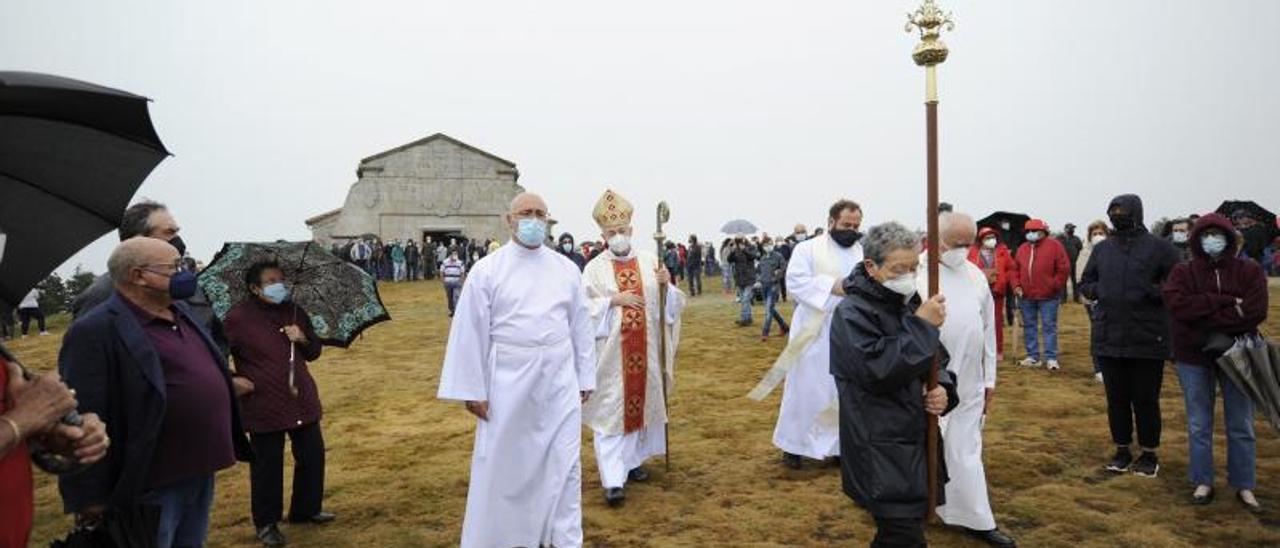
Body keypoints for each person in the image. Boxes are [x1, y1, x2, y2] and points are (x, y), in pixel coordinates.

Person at [59, 237, 253, 547]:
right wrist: (88, 496)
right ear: (138, 275)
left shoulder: (181, 312)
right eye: (174, 267)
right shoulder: (95, 330)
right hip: (150, 479)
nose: (184, 273)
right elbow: (83, 414)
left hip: (200, 467)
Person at [437, 193, 596, 548]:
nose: (533, 220)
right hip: (508, 379)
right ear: (509, 220)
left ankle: (563, 537)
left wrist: (585, 377)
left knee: (565, 465)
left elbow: (580, 326)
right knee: (505, 466)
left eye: (540, 214)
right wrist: (471, 389)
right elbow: (470, 330)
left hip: (558, 379)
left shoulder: (566, 269)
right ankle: (505, 538)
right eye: (526, 213)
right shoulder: (487, 270)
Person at [829, 221, 958, 548]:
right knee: (902, 536)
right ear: (871, 266)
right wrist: (921, 327)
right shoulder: (851, 314)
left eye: (914, 267)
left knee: (900, 534)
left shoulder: (909, 301)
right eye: (900, 268)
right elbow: (876, 371)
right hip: (879, 444)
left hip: (915, 436)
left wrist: (943, 388)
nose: (909, 276)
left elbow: (936, 361)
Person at [580, 190, 686, 507]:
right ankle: (613, 480)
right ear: (602, 235)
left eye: (622, 231)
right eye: (611, 233)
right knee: (612, 414)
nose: (617, 236)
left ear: (631, 230)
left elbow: (670, 307)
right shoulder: (594, 269)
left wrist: (667, 283)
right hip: (612, 359)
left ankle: (633, 462)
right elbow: (581, 310)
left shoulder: (650, 261)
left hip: (647, 353)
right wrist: (613, 300)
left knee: (642, 409)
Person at [919, 214, 1017, 547]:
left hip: (970, 382)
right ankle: (920, 505)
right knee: (923, 448)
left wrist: (990, 379)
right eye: (955, 243)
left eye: (968, 243)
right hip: (926, 382)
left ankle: (976, 517)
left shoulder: (975, 276)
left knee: (965, 449)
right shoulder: (917, 274)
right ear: (936, 239)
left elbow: (989, 330)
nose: (962, 250)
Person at [223, 260, 334, 546]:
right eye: (271, 281)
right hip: (263, 402)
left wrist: (303, 338)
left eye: (281, 279)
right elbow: (215, 354)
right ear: (254, 287)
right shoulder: (237, 318)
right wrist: (234, 379)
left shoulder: (294, 310)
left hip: (301, 397)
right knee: (267, 465)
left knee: (312, 455)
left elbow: (314, 353)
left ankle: (306, 509)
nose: (279, 285)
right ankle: (267, 522)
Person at [1162, 213, 1267, 512]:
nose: (1211, 239)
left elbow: (1255, 311)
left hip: (1238, 355)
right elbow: (1179, 307)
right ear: (1197, 239)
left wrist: (1205, 316)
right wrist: (1224, 303)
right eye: (1205, 234)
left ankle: (1244, 485)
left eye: (1216, 233)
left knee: (1241, 423)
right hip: (1193, 357)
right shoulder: (1183, 273)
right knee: (1198, 423)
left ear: (1230, 238)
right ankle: (1202, 480)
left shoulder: (1250, 271)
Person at [754, 200, 864, 469]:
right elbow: (795, 283)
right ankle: (794, 446)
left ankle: (837, 447)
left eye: (856, 226)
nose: (851, 230)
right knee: (804, 390)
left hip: (850, 331)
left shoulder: (861, 252)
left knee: (840, 391)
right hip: (814, 331)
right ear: (831, 222)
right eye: (845, 225)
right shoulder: (807, 249)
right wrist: (834, 287)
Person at [1079, 194, 1179, 478]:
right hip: (1109, 334)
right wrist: (1098, 292)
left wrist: (1155, 293)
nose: (1116, 215)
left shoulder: (1160, 248)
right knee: (1117, 399)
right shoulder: (1103, 249)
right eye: (1112, 211)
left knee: (1146, 399)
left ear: (1136, 211)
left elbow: (1178, 284)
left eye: (1121, 211)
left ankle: (1149, 453)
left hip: (1147, 336)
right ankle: (1121, 449)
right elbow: (1086, 281)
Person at [69, 201, 226, 354]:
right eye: (169, 232)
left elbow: (214, 338)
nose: (178, 240)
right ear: (139, 240)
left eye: (177, 232)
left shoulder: (188, 284)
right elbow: (85, 360)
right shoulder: (103, 293)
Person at [1011, 219, 1069, 370]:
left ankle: (1051, 358)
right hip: (1026, 296)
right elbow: (1015, 270)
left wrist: (1054, 285)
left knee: (1049, 326)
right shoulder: (1022, 248)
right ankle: (1033, 356)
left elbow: (1063, 268)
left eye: (1035, 230)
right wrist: (1016, 285)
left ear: (1044, 231)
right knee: (1029, 325)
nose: (1031, 234)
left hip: (1049, 296)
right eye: (1028, 231)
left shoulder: (1055, 246)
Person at [968, 227, 1014, 362]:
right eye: (987, 238)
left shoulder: (1002, 251)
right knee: (977, 322)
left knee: (996, 322)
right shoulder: (972, 252)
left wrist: (1002, 278)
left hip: (996, 292)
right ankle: (978, 350)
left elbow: (1011, 268)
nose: (991, 240)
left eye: (992, 237)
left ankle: (998, 350)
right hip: (977, 292)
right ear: (981, 240)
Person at [1076, 220, 1111, 383]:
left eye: (1101, 233)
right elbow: (1080, 277)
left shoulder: (1115, 251)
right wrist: (1091, 295)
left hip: (1115, 300)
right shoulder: (1085, 252)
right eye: (1094, 234)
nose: (1098, 237)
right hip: (1093, 300)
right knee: (1098, 333)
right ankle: (1099, 368)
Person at [757, 238, 789, 341]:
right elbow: (758, 271)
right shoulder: (762, 258)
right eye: (766, 245)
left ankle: (765, 332)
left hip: (774, 286)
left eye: (770, 244)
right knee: (770, 309)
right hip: (764, 286)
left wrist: (776, 275)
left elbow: (784, 268)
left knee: (768, 310)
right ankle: (784, 327)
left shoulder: (778, 256)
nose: (768, 246)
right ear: (763, 246)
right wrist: (758, 280)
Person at [727, 234, 759, 326]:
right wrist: (732, 251)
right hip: (739, 278)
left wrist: (744, 249)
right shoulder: (735, 249)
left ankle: (744, 319)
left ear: (744, 239)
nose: (738, 242)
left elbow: (754, 256)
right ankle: (748, 319)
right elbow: (729, 260)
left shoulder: (751, 247)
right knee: (744, 299)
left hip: (749, 278)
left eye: (740, 240)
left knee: (745, 299)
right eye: (737, 240)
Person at [1058, 223, 1083, 302]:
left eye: (1073, 228)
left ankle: (1076, 298)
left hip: (1073, 263)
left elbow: (1079, 248)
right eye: (1070, 228)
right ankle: (1063, 298)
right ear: (1065, 229)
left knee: (1074, 280)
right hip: (1063, 263)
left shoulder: (1076, 239)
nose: (1072, 230)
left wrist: (1075, 256)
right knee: (1063, 280)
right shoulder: (1059, 238)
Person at [441, 251, 466, 317]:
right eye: (453, 254)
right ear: (450, 255)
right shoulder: (445, 262)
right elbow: (442, 272)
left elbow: (462, 273)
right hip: (448, 282)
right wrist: (443, 281)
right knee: (449, 297)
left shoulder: (460, 263)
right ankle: (452, 310)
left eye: (456, 254)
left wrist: (461, 281)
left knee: (456, 297)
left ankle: (456, 311)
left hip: (457, 282)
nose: (455, 256)